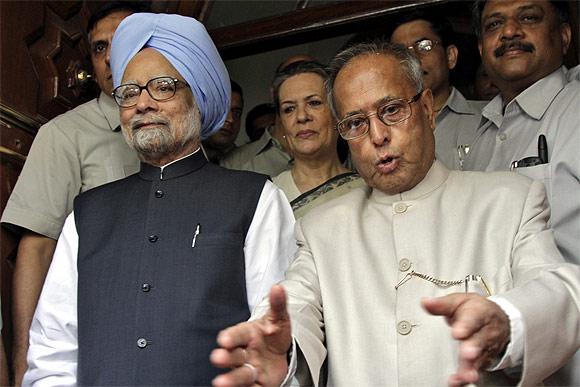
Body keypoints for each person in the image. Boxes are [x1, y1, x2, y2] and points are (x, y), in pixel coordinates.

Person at [210, 41, 580, 387]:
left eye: (391, 110)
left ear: (427, 110)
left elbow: (560, 293)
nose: (378, 135)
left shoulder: (509, 201)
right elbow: (296, 306)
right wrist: (284, 348)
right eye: (355, 123)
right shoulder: (322, 229)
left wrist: (507, 322)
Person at [23, 13, 295, 386]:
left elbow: (270, 337)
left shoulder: (255, 198)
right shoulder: (88, 213)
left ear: (197, 97)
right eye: (129, 92)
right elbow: (54, 351)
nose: (142, 103)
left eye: (163, 87)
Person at [0, 2, 144, 384]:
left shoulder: (182, 133)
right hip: (92, 341)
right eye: (100, 48)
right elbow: (37, 247)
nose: (112, 57)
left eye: (125, 40)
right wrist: (24, 362)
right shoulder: (65, 135)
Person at [465, 1, 579, 383]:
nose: (510, 31)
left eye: (528, 18)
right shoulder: (480, 135)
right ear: (481, 48)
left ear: (564, 36)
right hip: (499, 361)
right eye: (494, 23)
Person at [390, 11, 485, 170]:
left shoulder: (488, 119)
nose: (412, 58)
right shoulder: (382, 132)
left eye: (424, 46)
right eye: (402, 53)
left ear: (450, 56)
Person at [271, 61, 363, 218]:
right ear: (282, 124)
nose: (301, 116)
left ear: (336, 114)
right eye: (289, 109)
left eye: (314, 103)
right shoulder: (269, 196)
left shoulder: (367, 188)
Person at [220, 55, 315, 177]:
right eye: (290, 74)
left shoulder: (341, 150)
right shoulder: (235, 164)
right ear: (274, 93)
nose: (300, 82)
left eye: (314, 102)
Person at [202, 80, 244, 163]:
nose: (231, 119)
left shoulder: (249, 163)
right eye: (222, 110)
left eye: (236, 113)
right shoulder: (179, 161)